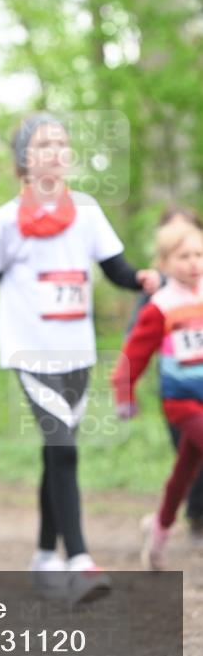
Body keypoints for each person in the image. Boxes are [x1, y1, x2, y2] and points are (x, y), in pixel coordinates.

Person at [0, 113, 159, 601]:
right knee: (63, 447)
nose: (54, 151)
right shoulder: (6, 219)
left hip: (77, 354)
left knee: (57, 451)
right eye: (43, 144)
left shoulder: (87, 211)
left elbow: (115, 268)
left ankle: (44, 556)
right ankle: (81, 560)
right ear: (23, 159)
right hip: (28, 353)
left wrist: (142, 280)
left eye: (61, 144)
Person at [112, 217, 203, 569]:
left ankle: (160, 531)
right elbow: (134, 353)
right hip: (182, 403)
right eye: (183, 256)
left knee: (184, 473)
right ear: (163, 264)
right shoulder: (160, 306)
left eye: (199, 254)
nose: (194, 262)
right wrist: (125, 392)